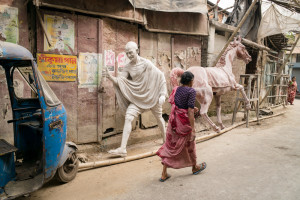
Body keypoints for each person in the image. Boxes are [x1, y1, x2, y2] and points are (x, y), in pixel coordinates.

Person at [104, 41, 167, 157]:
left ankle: (165, 141)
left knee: (159, 118)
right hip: (137, 99)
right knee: (128, 117)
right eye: (127, 53)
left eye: (131, 52)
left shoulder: (146, 63)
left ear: (137, 51)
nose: (129, 55)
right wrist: (110, 77)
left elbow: (161, 76)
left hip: (152, 96)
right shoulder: (128, 67)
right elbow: (120, 81)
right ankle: (123, 149)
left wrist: (162, 94)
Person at [156, 71, 206, 182]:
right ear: (190, 81)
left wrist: (192, 108)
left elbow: (176, 103)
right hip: (184, 124)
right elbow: (190, 111)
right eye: (193, 80)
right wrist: (192, 129)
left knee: (170, 146)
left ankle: (164, 174)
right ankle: (194, 167)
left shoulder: (176, 89)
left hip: (174, 122)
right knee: (190, 145)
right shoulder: (191, 91)